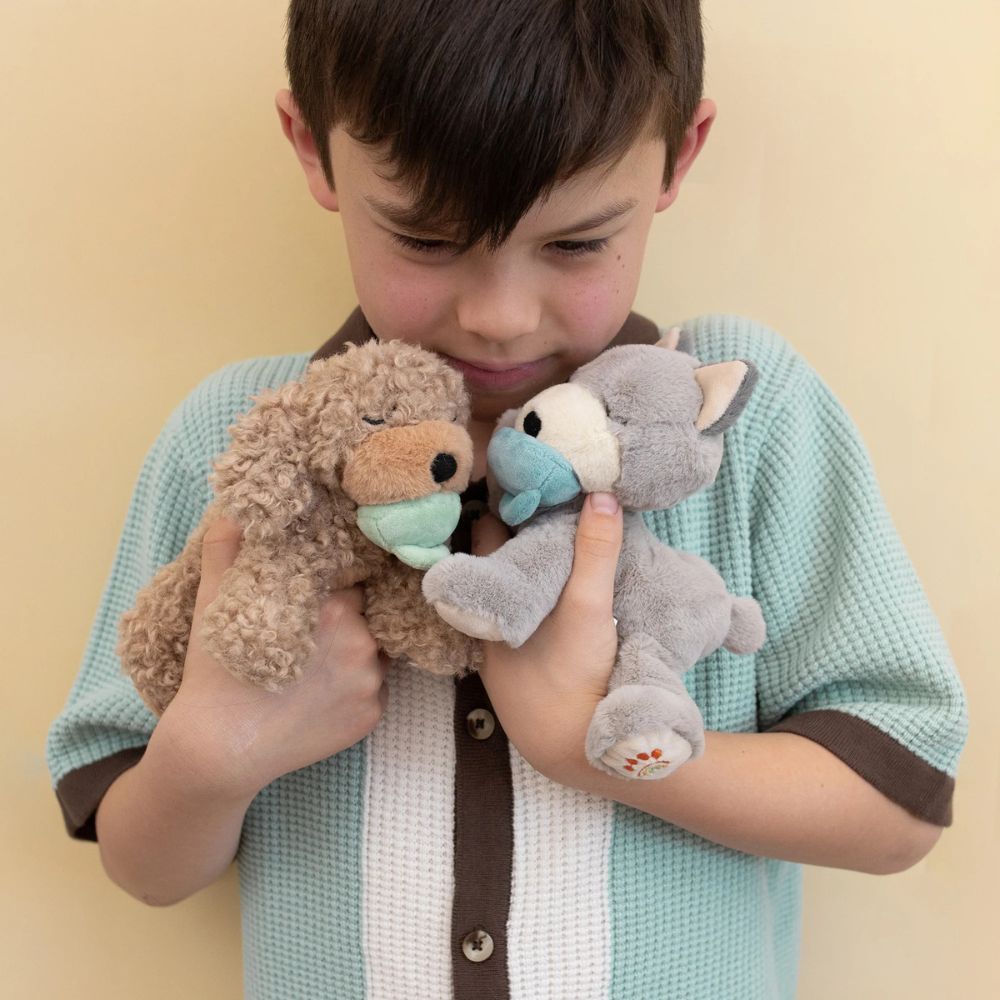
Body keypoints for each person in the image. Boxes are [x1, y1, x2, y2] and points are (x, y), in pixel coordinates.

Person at [46, 2, 968, 998]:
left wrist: (589, 745)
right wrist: (212, 753)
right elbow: (144, 862)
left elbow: (899, 806)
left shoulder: (738, 415)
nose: (499, 317)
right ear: (311, 148)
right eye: (424, 239)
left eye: (575, 245)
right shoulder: (244, 443)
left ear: (678, 156)